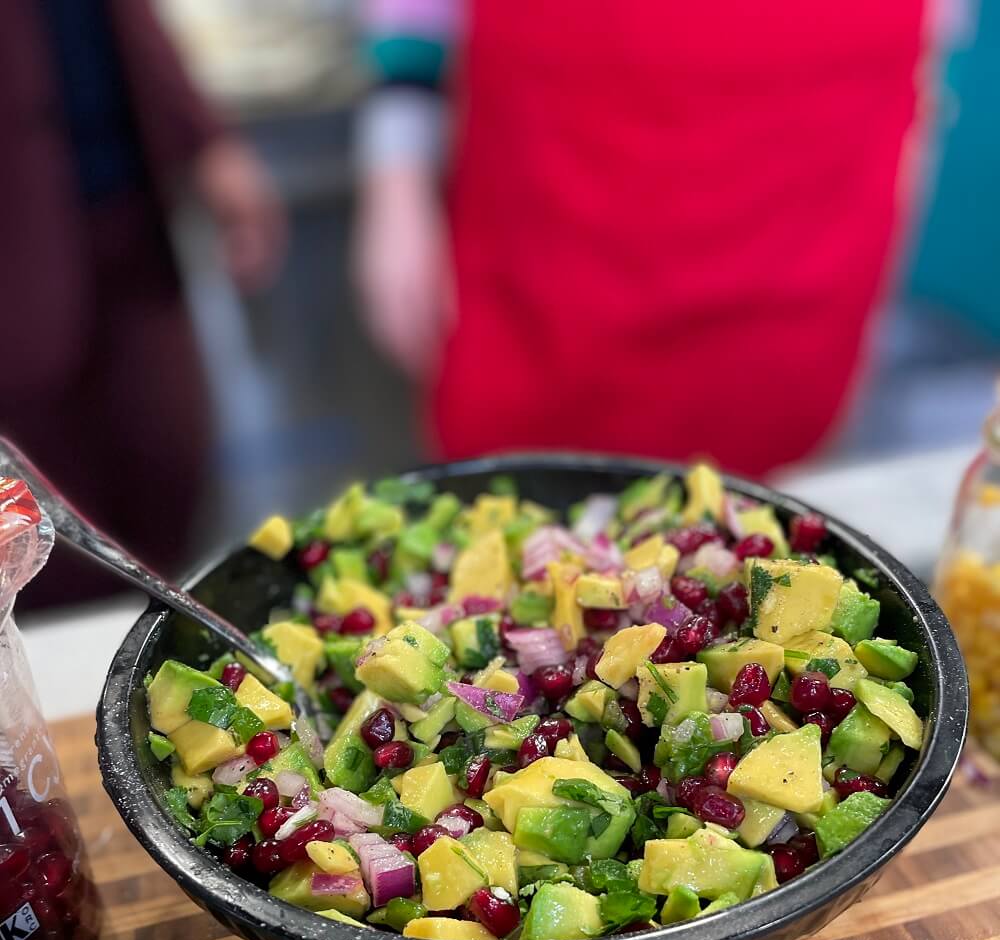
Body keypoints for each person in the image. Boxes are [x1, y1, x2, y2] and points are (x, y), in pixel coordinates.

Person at [353, 0, 931, 477]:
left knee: (767, 555)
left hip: (803, 213)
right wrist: (396, 180)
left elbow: (937, 43)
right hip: (552, 227)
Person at [0, 0, 285, 608]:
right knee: (41, 526)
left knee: (166, 459)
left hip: (127, 217)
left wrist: (206, 141)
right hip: (18, 243)